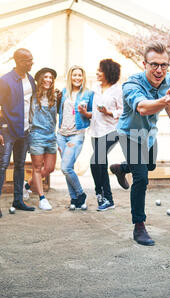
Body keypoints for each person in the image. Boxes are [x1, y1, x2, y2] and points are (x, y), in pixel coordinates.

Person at [110, 42, 170, 246]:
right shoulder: (131, 85)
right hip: (129, 133)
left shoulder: (168, 79)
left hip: (149, 134)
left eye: (164, 65)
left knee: (150, 165)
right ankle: (139, 226)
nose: (159, 70)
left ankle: (121, 168)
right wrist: (167, 101)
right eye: (154, 64)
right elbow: (144, 108)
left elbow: (168, 100)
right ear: (144, 63)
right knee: (141, 179)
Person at [0, 48, 36, 218]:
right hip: (8, 131)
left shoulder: (30, 79)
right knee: (2, 165)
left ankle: (18, 200)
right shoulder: (4, 81)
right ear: (17, 61)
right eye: (28, 60)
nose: (31, 63)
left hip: (24, 130)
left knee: (20, 165)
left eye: (32, 59)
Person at [23, 67, 61, 211]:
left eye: (51, 78)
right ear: (40, 80)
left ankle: (26, 186)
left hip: (51, 136)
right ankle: (42, 198)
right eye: (45, 77)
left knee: (49, 168)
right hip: (36, 135)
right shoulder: (32, 96)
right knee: (37, 168)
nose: (48, 80)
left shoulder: (56, 96)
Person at [57, 65, 94, 210]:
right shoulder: (64, 92)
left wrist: (85, 113)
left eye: (80, 75)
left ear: (83, 77)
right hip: (61, 134)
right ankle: (74, 199)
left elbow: (92, 114)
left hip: (76, 135)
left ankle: (80, 194)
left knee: (65, 168)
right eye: (74, 75)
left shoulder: (89, 94)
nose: (77, 78)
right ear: (70, 77)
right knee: (69, 168)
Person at [89, 59, 123, 211]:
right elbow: (94, 111)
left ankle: (100, 194)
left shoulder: (118, 90)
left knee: (94, 161)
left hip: (111, 131)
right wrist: (85, 113)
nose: (97, 73)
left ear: (108, 72)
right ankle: (107, 199)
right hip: (95, 130)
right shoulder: (95, 88)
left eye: (100, 70)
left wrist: (109, 112)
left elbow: (123, 111)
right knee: (100, 165)